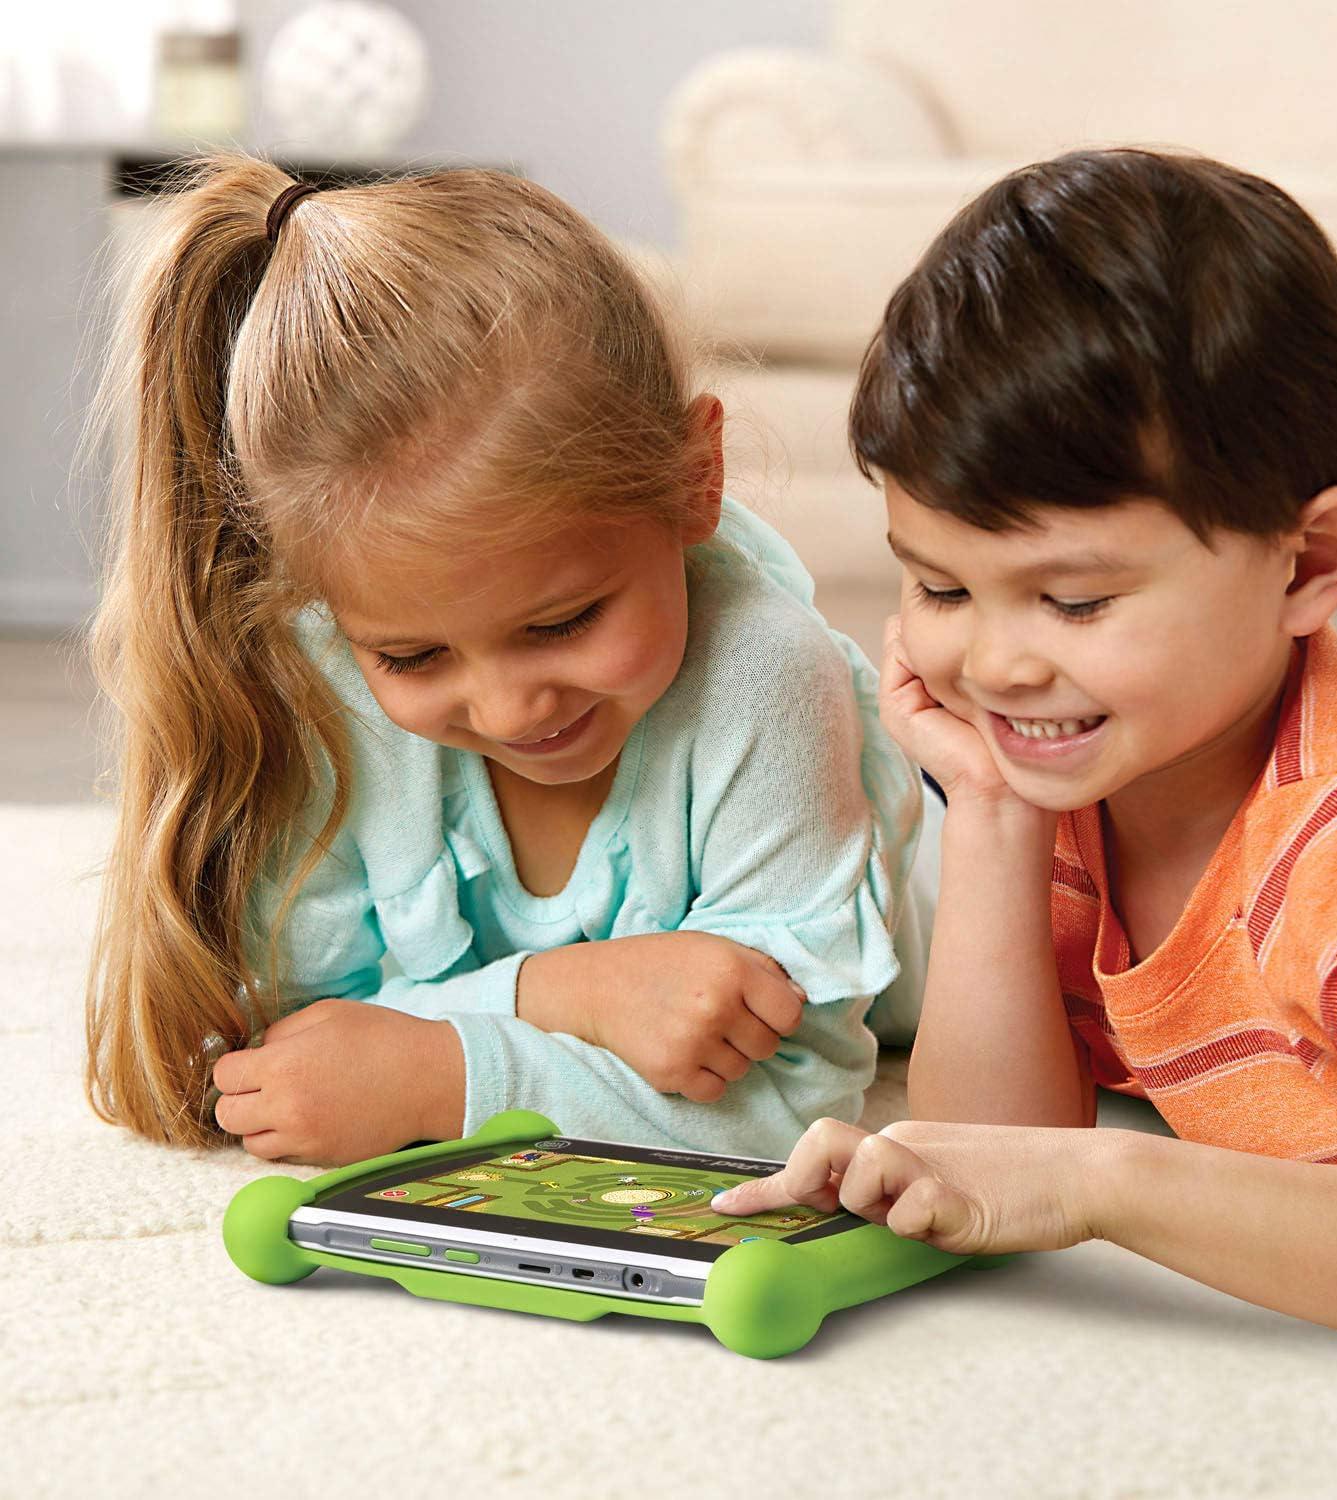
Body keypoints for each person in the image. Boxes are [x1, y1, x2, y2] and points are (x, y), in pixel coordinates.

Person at [709, 149, 1337, 1362]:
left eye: (1074, 601)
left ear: (1310, 562)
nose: (997, 665)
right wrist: (992, 814)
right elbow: (991, 1163)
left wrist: (1111, 1185)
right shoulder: (1090, 776)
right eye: (941, 588)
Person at [84, 156, 927, 1167]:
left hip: (920, 920)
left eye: (562, 623)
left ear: (697, 479)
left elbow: (796, 1101)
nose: (508, 707)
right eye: (412, 656)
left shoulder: (767, 671)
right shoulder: (322, 679)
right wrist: (568, 992)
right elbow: (294, 1049)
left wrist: (441, 1077)